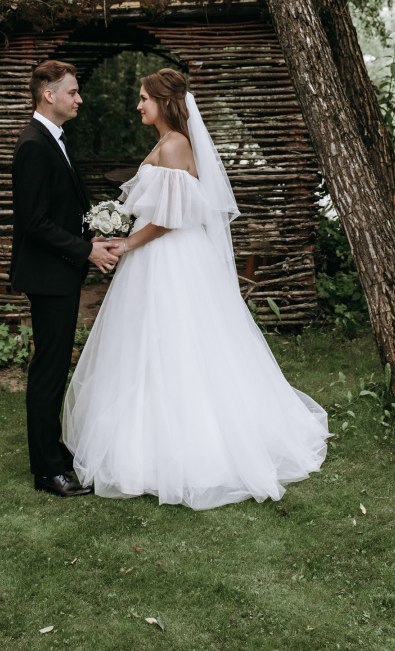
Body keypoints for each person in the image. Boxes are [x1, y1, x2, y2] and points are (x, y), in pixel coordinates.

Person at [63, 68, 329, 510]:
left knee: (180, 343)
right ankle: (145, 439)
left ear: (165, 102)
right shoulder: (166, 144)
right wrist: (116, 225)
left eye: (144, 98)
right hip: (157, 256)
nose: (138, 104)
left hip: (171, 258)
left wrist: (127, 241)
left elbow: (169, 217)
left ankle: (193, 449)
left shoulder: (175, 145)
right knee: (148, 346)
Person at [11, 60, 119, 497]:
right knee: (49, 370)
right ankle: (46, 470)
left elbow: (63, 204)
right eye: (72, 92)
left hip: (61, 270)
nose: (79, 98)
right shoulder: (33, 145)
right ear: (47, 95)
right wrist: (84, 250)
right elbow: (34, 222)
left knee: (55, 365)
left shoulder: (53, 138)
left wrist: (94, 229)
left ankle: (53, 451)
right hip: (48, 274)